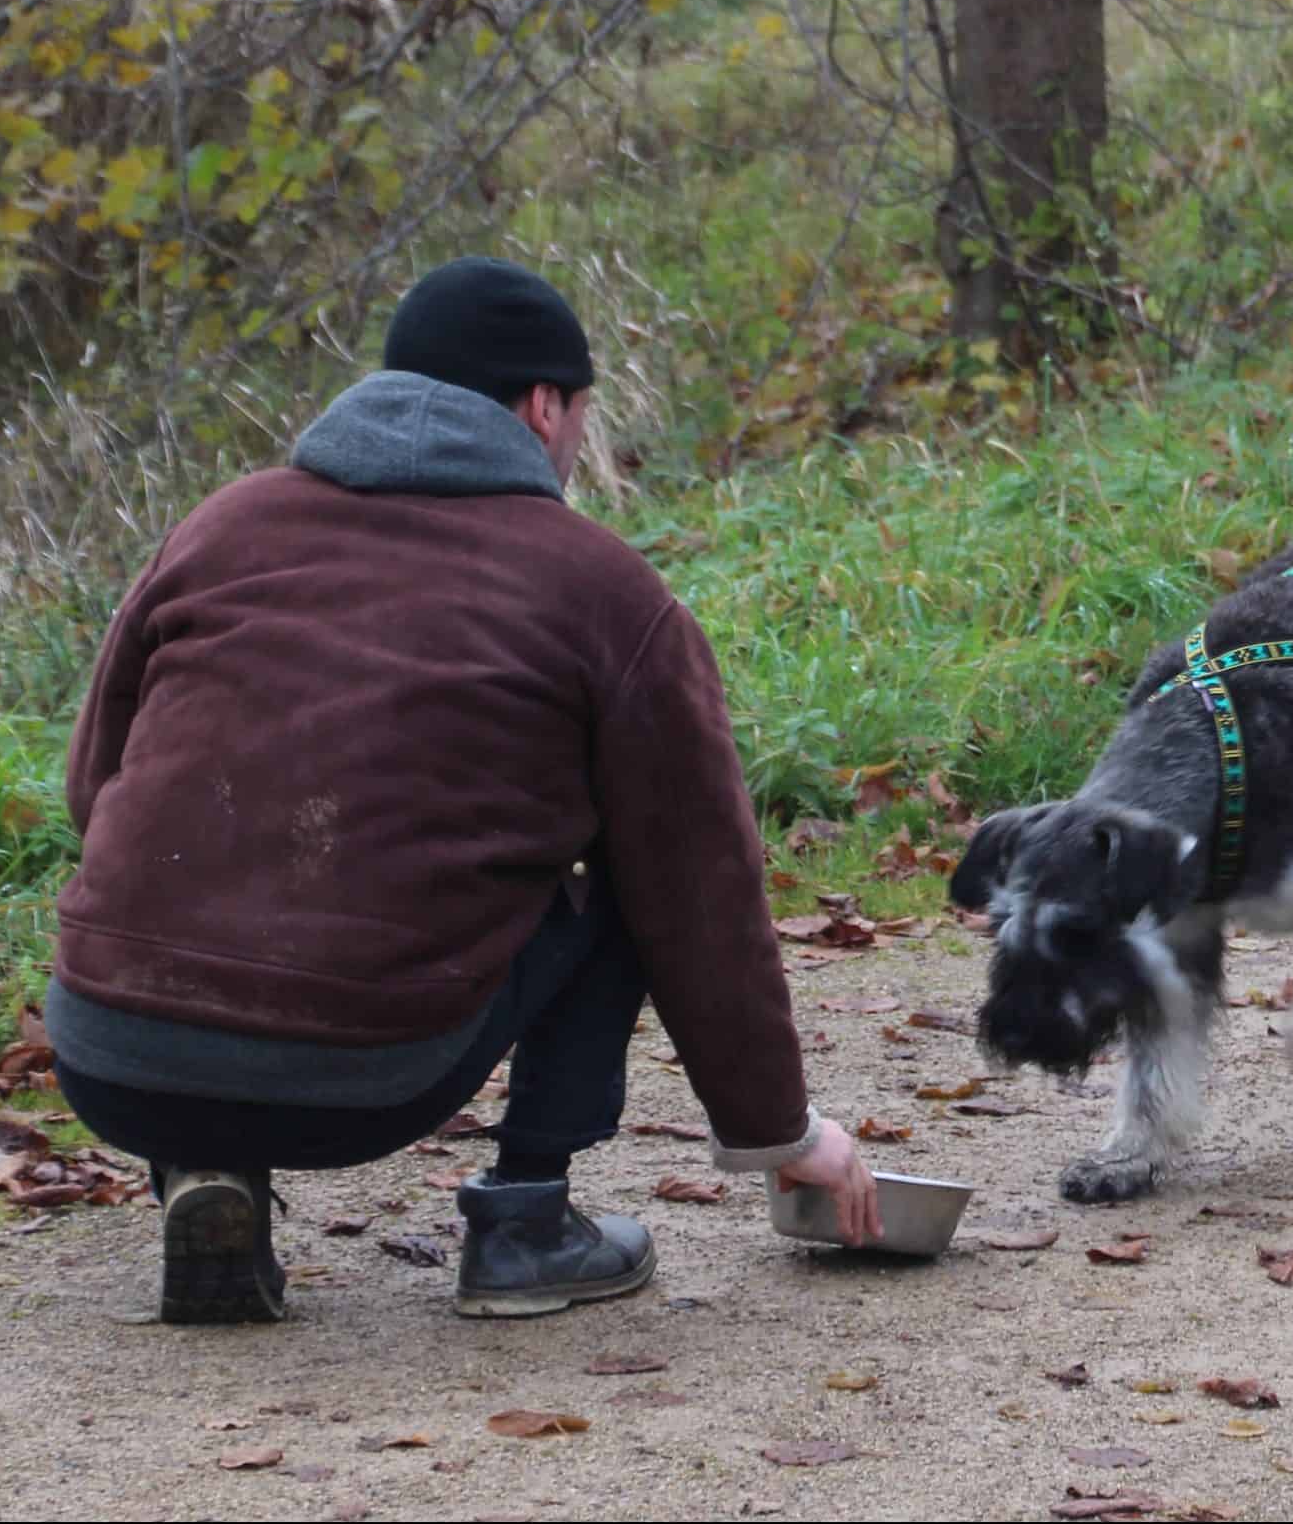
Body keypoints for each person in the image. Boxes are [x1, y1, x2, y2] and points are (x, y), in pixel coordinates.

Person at [46, 256, 880, 1325]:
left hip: (110, 1054)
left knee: (182, 852)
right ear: (544, 405)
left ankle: (207, 1176)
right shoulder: (601, 588)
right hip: (364, 1078)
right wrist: (782, 1132)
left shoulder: (221, 525)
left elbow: (93, 788)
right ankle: (527, 1219)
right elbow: (700, 890)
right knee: (631, 867)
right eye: (582, 410)